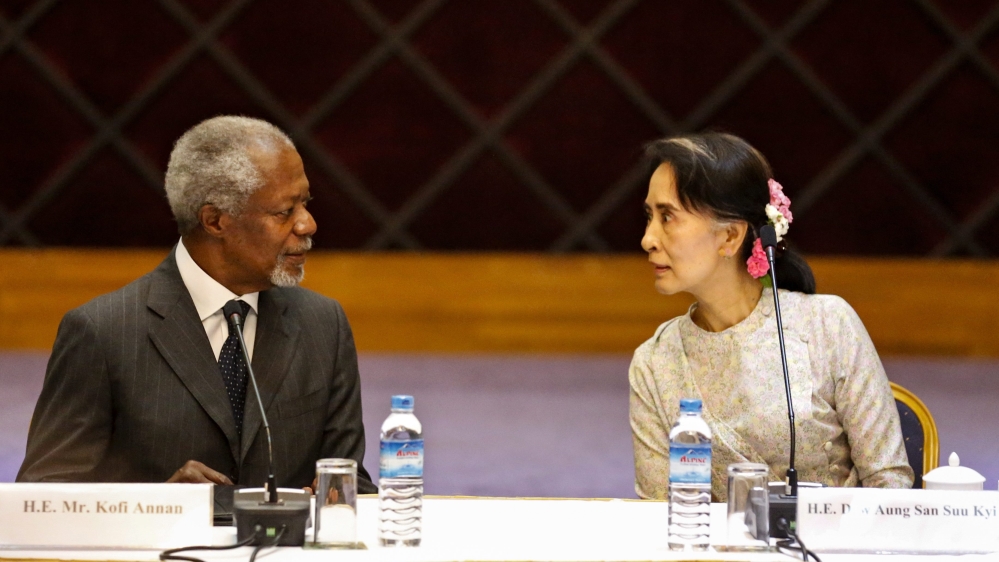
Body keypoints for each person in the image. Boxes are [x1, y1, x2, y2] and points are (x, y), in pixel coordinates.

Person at [18, 115, 376, 493]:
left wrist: (335, 496)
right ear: (215, 221)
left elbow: (351, 481)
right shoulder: (103, 332)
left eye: (305, 203)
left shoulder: (323, 324)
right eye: (284, 211)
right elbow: (42, 496)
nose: (307, 224)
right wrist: (160, 504)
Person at [629, 132, 913, 501]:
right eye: (649, 216)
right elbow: (660, 514)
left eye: (667, 217)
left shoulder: (827, 326)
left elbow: (891, 488)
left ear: (730, 237)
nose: (647, 239)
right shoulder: (653, 363)